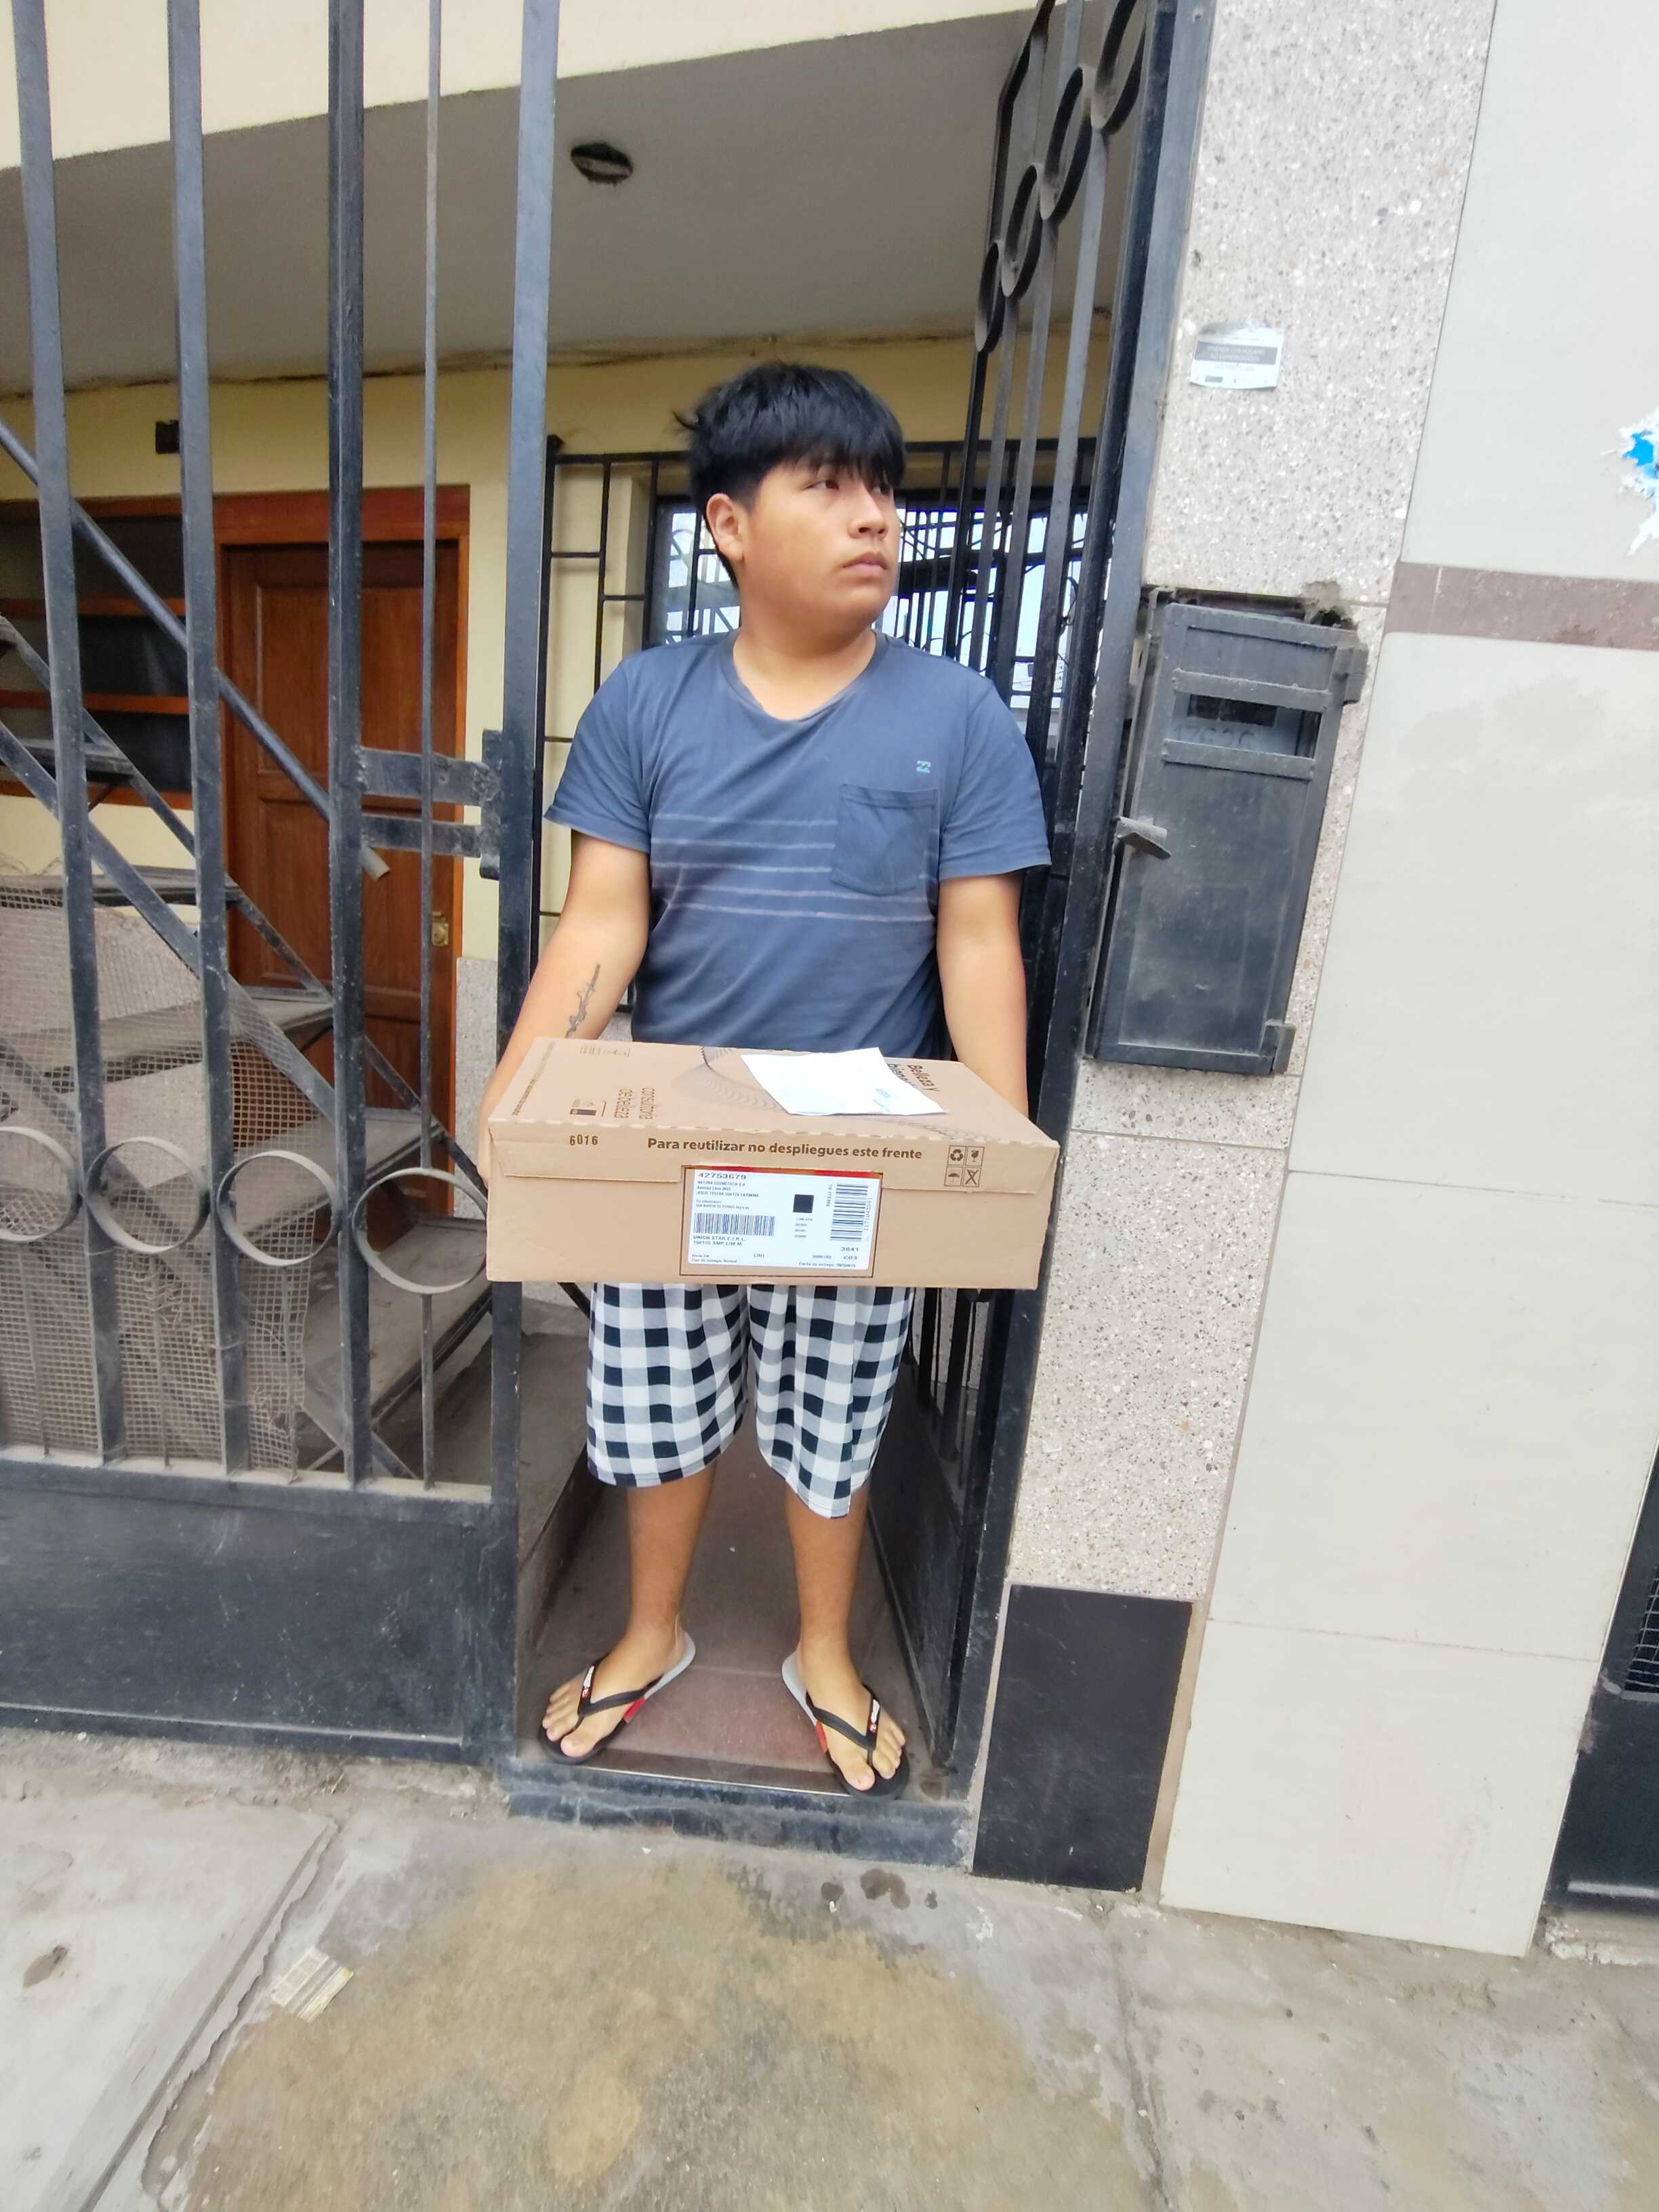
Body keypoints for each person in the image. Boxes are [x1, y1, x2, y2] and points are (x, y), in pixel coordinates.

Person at [476, 362, 1049, 1794]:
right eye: (829, 486)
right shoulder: (648, 702)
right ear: (729, 525)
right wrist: (520, 1098)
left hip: (862, 1158)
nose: (876, 519)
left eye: (885, 491)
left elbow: (979, 941)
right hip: (674, 1148)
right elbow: (602, 921)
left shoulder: (959, 716)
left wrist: (998, 1168)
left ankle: (827, 1655)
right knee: (657, 1408)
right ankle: (650, 1632)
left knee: (835, 1418)